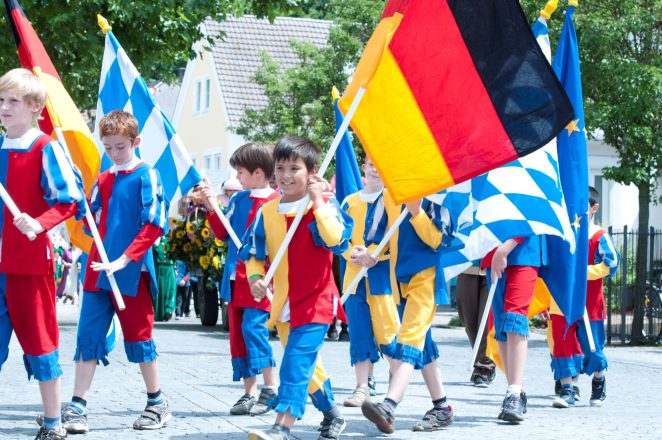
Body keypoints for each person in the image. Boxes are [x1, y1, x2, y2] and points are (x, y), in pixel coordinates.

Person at [58, 110, 171, 433]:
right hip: (97, 270)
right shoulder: (104, 179)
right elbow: (89, 220)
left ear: (136, 142)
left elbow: (154, 224)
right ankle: (78, 406)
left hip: (133, 272)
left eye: (120, 146)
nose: (114, 153)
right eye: (108, 147)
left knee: (139, 338)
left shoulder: (147, 175)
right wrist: (80, 202)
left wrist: (125, 259)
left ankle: (157, 401)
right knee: (88, 338)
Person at [242, 135, 352, 440]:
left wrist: (318, 202)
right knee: (308, 365)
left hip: (317, 302)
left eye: (295, 168)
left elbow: (335, 240)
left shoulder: (323, 207)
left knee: (294, 363)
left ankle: (282, 428)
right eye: (280, 168)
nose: (286, 176)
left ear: (312, 171)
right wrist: (255, 280)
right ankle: (332, 413)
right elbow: (253, 256)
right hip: (284, 304)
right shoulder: (267, 212)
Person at [0, 67, 85, 440]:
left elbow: (69, 198)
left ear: (35, 106)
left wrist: (38, 223)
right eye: (1, 100)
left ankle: (53, 423)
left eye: (13, 101)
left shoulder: (44, 147)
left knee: (40, 341)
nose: (4, 107)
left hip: (28, 264)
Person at [360, 190, 456, 434]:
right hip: (399, 280)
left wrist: (416, 211)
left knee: (410, 340)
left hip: (426, 279)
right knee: (422, 344)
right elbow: (378, 238)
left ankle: (389, 404)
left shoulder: (437, 195)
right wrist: (370, 255)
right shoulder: (387, 194)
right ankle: (442, 407)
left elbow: (438, 241)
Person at [197, 142, 280, 416]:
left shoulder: (277, 203)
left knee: (253, 329)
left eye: (240, 172)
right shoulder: (238, 200)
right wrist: (211, 206)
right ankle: (249, 392)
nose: (237, 178)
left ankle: (271, 386)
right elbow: (223, 233)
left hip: (260, 280)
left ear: (258, 173)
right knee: (239, 337)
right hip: (234, 279)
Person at [549, 186, 619, 408]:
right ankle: (568, 389)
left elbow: (611, 263)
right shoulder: (560, 231)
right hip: (562, 300)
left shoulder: (598, 235)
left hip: (591, 303)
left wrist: (583, 273)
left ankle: (598, 380)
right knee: (561, 343)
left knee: (592, 346)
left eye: (582, 206)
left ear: (593, 207)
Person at [339, 157, 399, 407]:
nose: (375, 169)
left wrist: (375, 254)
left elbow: (395, 236)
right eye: (371, 164)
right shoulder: (350, 202)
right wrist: (353, 254)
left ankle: (396, 384)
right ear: (363, 168)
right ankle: (362, 386)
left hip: (382, 277)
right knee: (360, 332)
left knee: (388, 331)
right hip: (354, 277)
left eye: (380, 164)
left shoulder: (394, 201)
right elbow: (339, 235)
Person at [481, 235, 547, 423]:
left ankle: (514, 393)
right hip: (492, 251)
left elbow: (530, 212)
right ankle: (513, 391)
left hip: (524, 251)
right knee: (502, 323)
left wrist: (504, 249)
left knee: (515, 317)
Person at [456, 263, 497, 387]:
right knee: (469, 321)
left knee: (486, 321)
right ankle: (482, 359)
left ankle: (484, 366)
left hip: (493, 267)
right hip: (467, 265)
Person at [152, 237, 176, 322]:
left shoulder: (171, 240)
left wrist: (175, 268)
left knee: (171, 290)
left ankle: (168, 310)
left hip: (170, 268)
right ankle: (158, 313)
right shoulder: (154, 240)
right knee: (159, 290)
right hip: (158, 268)